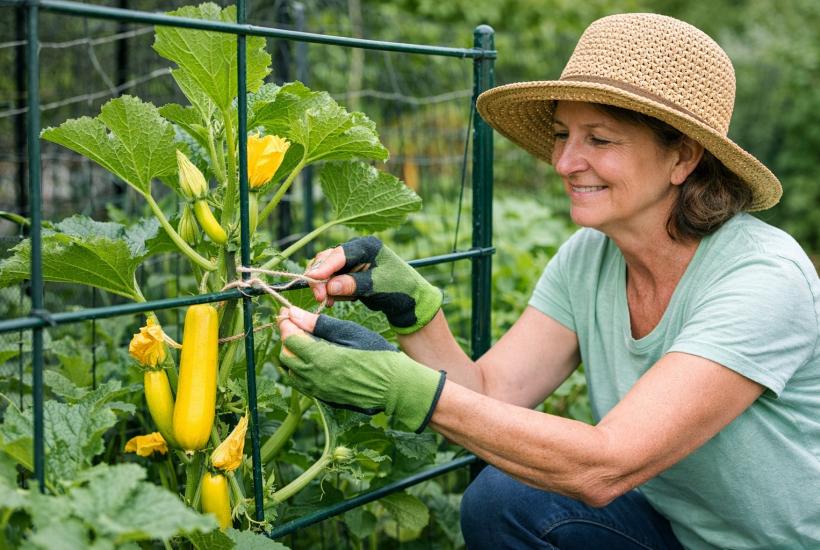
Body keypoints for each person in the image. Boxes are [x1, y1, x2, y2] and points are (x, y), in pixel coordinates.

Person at [275, 12, 820, 549]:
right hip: (674, 531)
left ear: (682, 156)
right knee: (504, 499)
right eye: (563, 135)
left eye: (600, 140)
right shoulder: (591, 256)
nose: (563, 162)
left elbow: (605, 465)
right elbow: (488, 394)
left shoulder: (762, 278)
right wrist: (414, 309)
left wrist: (398, 386)